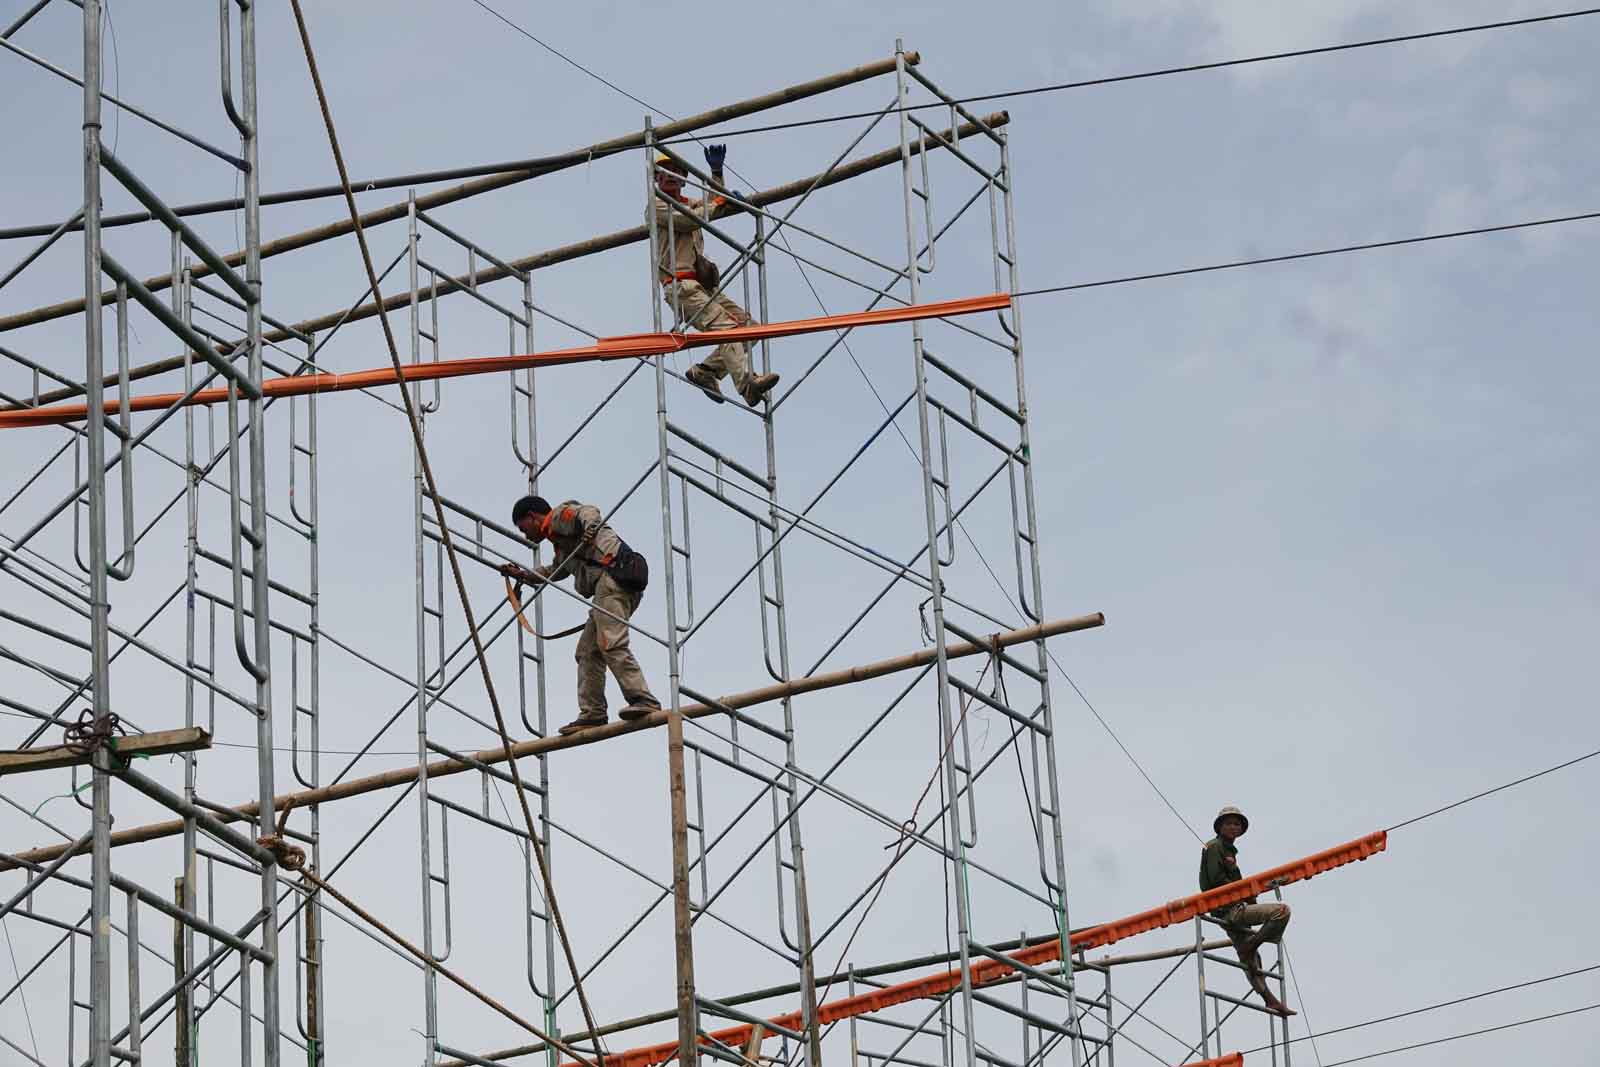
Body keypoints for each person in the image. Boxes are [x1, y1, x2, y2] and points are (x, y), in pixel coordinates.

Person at [500, 495, 660, 735]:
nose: (527, 536)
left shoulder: (559, 518)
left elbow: (588, 512)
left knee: (611, 644)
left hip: (613, 579)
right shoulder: (562, 542)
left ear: (533, 517)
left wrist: (590, 528)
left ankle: (643, 699)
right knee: (587, 651)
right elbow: (556, 570)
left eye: (524, 529)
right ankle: (592, 713)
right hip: (609, 587)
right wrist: (523, 575)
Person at [650, 145, 779, 408]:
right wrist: (720, 203)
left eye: (677, 172)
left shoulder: (690, 203)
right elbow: (690, 220)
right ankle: (747, 385)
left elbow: (711, 203)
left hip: (700, 286)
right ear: (656, 176)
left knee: (750, 330)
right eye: (666, 171)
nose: (672, 175)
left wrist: (716, 173)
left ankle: (706, 371)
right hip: (680, 286)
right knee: (727, 330)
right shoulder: (657, 205)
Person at [1198, 805, 1296, 1016]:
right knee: (1281, 911)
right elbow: (1216, 881)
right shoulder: (1214, 847)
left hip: (1235, 907)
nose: (1233, 827)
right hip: (1230, 910)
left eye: (1237, 824)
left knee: (1252, 961)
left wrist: (1250, 895)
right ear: (1220, 827)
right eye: (1229, 824)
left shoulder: (1229, 851)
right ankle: (1251, 945)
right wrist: (1245, 893)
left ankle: (1269, 999)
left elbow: (1234, 882)